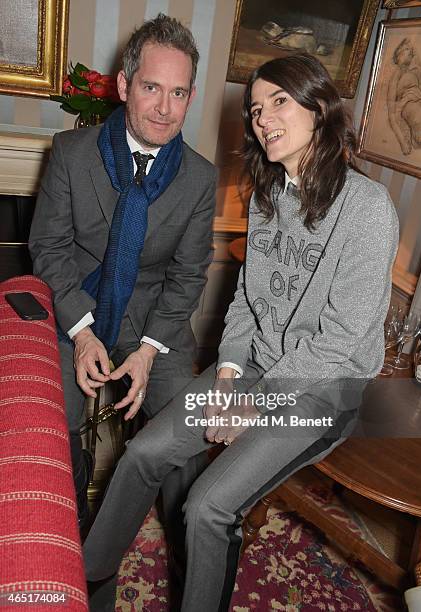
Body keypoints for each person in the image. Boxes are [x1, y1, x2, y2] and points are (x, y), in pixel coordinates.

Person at [83, 53, 399, 611]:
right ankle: (88, 580)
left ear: (319, 107)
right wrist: (228, 380)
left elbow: (342, 342)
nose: (263, 117)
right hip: (253, 368)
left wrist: (252, 405)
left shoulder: (368, 208)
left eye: (279, 100)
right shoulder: (269, 195)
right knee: (144, 453)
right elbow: (246, 305)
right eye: (256, 108)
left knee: (207, 506)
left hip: (324, 388)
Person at [29, 12, 216, 545]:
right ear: (124, 85)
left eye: (178, 93)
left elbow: (188, 275)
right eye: (152, 87)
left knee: (189, 428)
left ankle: (187, 547)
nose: (164, 108)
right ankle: (73, 541)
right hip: (78, 309)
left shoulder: (200, 178)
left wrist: (150, 351)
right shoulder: (70, 154)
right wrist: (83, 332)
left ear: (191, 95)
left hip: (155, 322)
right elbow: (49, 247)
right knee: (55, 423)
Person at [387, 37, 421, 155]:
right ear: (399, 53)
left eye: (411, 49)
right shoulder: (395, 76)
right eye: (408, 49)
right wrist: (403, 142)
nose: (412, 52)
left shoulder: (414, 72)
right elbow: (392, 114)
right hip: (411, 109)